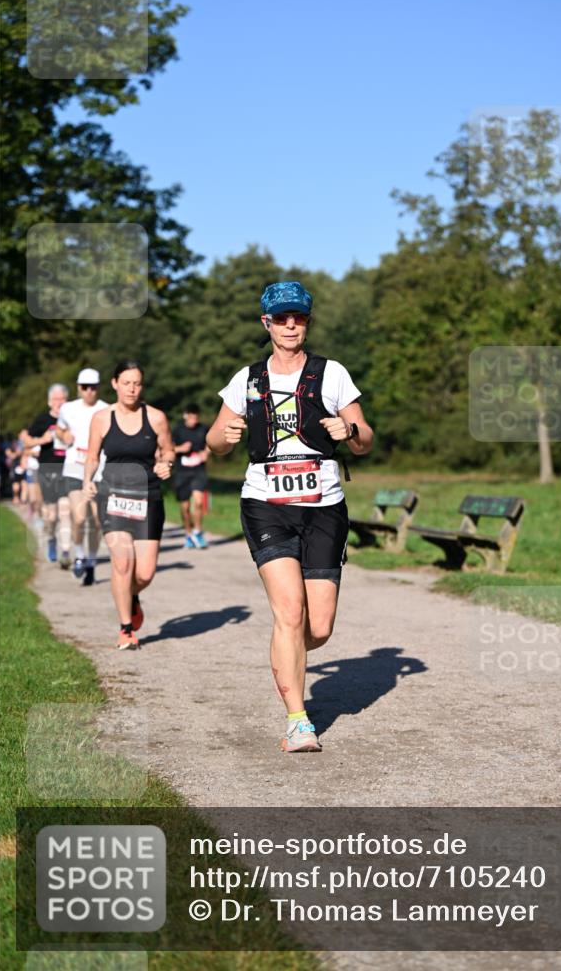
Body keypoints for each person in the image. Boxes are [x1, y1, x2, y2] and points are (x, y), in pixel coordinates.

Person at [207, 281, 373, 752]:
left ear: (307, 321)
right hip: (266, 503)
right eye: (281, 318)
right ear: (267, 323)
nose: (290, 325)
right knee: (290, 612)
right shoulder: (248, 379)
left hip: (324, 506)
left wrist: (352, 429)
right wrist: (226, 434)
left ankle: (289, 650)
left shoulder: (332, 374)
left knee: (316, 627)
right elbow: (214, 442)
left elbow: (365, 440)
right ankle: (299, 721)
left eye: (298, 317)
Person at [84, 360, 175, 650]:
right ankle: (125, 628)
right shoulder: (101, 418)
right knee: (122, 563)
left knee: (144, 573)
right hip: (112, 496)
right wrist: (87, 480)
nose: (132, 389)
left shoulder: (157, 418)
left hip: (148, 497)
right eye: (126, 383)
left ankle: (132, 596)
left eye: (137, 383)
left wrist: (166, 463)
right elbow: (92, 455)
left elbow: (168, 449)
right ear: (114, 384)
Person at [56, 368, 109, 582]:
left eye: (93, 387)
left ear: (98, 388)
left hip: (99, 469)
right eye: (85, 387)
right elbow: (59, 430)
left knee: (96, 521)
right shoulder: (67, 409)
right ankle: (78, 555)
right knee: (78, 516)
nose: (89, 391)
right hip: (75, 467)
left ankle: (91, 561)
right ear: (78, 388)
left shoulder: (106, 409)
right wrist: (63, 434)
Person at [25, 384, 69, 561]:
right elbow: (27, 441)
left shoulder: (72, 417)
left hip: (69, 468)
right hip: (48, 469)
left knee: (66, 511)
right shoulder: (42, 419)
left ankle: (66, 551)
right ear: (50, 402)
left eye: (62, 399)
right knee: (52, 515)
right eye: (56, 399)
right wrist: (42, 439)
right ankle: (51, 539)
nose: (59, 403)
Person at [172, 403, 210, 549]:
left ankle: (198, 532)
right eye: (191, 416)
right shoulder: (178, 430)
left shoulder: (203, 429)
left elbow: (210, 444)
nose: (193, 419)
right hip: (182, 472)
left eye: (196, 416)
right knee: (185, 507)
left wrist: (206, 453)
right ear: (185, 416)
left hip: (198, 471)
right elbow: (169, 448)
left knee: (199, 503)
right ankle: (188, 534)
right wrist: (180, 448)